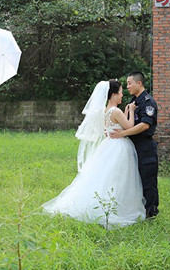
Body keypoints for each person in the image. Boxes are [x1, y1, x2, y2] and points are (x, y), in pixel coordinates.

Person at [42, 80, 146, 229]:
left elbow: (112, 127)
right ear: (114, 94)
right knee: (119, 177)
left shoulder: (106, 111)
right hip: (119, 147)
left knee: (108, 176)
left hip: (109, 144)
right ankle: (117, 206)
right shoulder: (116, 111)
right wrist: (131, 111)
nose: (123, 95)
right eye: (121, 92)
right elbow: (129, 126)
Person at [110, 71, 159, 218]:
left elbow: (145, 125)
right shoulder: (133, 102)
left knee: (148, 182)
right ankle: (137, 211)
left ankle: (151, 214)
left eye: (130, 83)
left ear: (139, 83)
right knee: (133, 181)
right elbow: (125, 123)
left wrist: (123, 134)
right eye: (126, 84)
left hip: (145, 148)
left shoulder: (148, 102)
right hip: (131, 147)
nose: (127, 87)